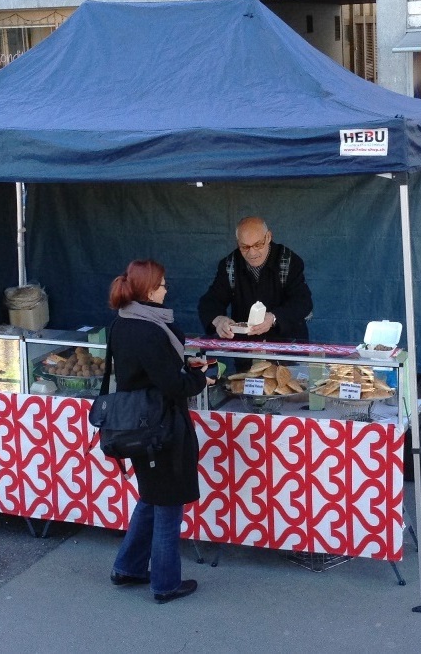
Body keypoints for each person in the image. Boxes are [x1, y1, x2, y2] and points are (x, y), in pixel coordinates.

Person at [105, 259, 214, 604]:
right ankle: (165, 584)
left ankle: (128, 567)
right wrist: (200, 378)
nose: (167, 289)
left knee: (152, 497)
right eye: (163, 284)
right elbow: (171, 384)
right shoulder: (150, 330)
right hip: (161, 428)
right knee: (168, 504)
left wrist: (184, 367)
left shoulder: (123, 321)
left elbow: (148, 371)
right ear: (149, 289)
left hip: (138, 425)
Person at [198, 216, 314, 345]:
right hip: (246, 345)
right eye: (245, 247)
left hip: (287, 343)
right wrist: (218, 320)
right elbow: (211, 301)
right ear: (238, 243)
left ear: (268, 237)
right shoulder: (230, 264)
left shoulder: (289, 261)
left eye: (258, 245)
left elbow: (302, 302)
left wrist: (273, 317)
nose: (252, 253)